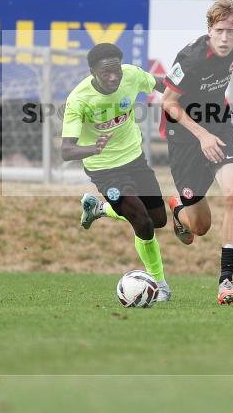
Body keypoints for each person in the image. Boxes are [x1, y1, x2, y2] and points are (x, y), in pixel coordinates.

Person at [161, 0, 233, 305]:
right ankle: (177, 208)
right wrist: (201, 135)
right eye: (219, 31)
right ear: (209, 30)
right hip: (186, 136)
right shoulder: (190, 58)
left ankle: (226, 280)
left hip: (219, 125)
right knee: (200, 226)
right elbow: (167, 103)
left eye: (231, 30)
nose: (226, 38)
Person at [61, 43, 171, 302]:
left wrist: (188, 93)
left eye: (116, 72)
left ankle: (100, 209)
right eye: (106, 73)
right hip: (105, 170)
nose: (113, 78)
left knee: (158, 220)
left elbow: (160, 84)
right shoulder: (79, 99)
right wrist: (93, 148)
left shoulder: (131, 75)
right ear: (92, 72)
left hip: (135, 158)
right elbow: (66, 150)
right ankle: (160, 283)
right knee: (142, 221)